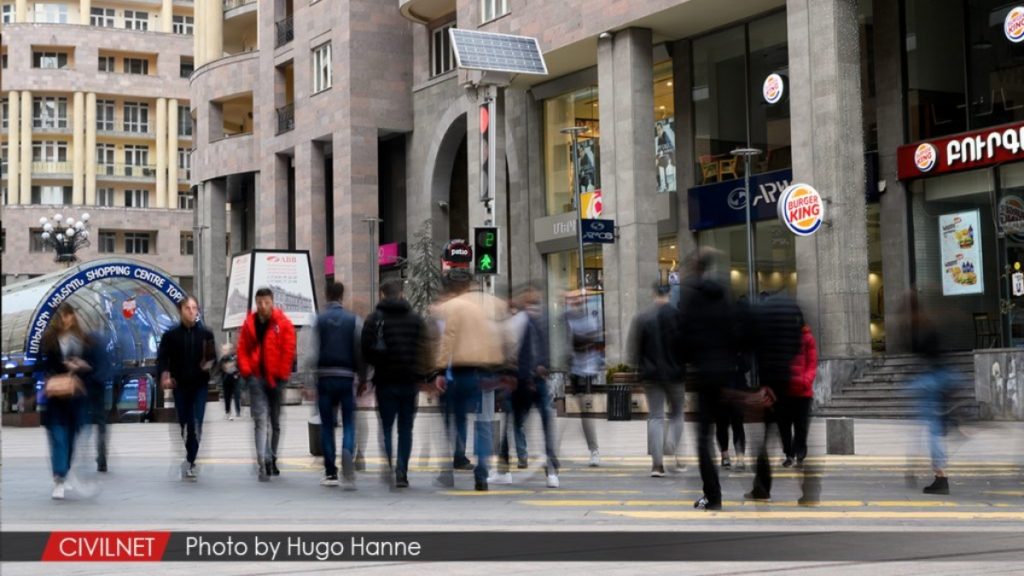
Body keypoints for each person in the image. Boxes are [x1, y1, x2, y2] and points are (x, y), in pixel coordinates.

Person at [432, 269, 507, 491]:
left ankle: (448, 470)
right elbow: (498, 335)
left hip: (459, 372)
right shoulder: (486, 305)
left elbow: (448, 339)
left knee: (449, 420)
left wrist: (438, 371)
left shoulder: (452, 307)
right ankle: (482, 472)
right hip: (484, 371)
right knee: (483, 422)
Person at [678, 248, 737, 511]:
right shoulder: (724, 294)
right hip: (726, 372)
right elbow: (734, 331)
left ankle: (713, 496)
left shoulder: (691, 296)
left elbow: (684, 337)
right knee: (725, 424)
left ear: (694, 267)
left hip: (704, 373)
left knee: (703, 438)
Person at [362, 279, 431, 489]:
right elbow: (424, 350)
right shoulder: (416, 319)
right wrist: (423, 377)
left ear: (382, 295)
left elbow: (365, 349)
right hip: (409, 382)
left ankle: (389, 463)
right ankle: (402, 470)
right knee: (406, 428)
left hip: (384, 381)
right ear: (402, 294)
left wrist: (375, 368)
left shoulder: (374, 319)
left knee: (386, 426)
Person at [496, 283, 560, 488]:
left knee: (511, 423)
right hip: (535, 379)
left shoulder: (519, 321)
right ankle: (551, 471)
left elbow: (508, 349)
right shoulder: (540, 321)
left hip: (522, 380)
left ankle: (505, 470)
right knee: (541, 423)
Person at [746, 293, 804, 502]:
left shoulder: (762, 320)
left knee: (763, 438)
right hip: (787, 381)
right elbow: (798, 345)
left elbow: (752, 346)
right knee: (787, 427)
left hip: (769, 383)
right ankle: (807, 489)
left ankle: (762, 487)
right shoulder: (791, 321)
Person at [238, 287, 296, 482]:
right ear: (256, 303)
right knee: (261, 421)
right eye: (259, 303)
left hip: (276, 380)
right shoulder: (249, 323)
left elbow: (288, 351)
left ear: (272, 302)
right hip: (256, 379)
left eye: (266, 302)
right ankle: (263, 460)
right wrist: (247, 372)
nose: (262, 306)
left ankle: (273, 458)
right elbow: (242, 350)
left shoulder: (283, 324)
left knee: (275, 422)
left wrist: (281, 375)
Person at [311, 281, 364, 489]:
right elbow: (359, 350)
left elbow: (312, 352)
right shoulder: (354, 320)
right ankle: (348, 452)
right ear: (342, 296)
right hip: (346, 378)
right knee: (349, 422)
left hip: (324, 378)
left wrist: (308, 380)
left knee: (327, 425)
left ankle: (330, 472)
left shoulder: (319, 320)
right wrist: (363, 377)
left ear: (326, 295)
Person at [157, 296, 216, 482]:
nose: (192, 312)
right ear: (180, 311)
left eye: (194, 308)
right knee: (184, 421)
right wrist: (165, 373)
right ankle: (189, 453)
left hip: (199, 385)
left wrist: (209, 365)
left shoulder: (205, 334)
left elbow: (213, 358)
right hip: (180, 385)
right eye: (187, 308)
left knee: (196, 422)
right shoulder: (171, 335)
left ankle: (191, 459)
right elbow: (162, 359)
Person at [629, 282, 685, 477]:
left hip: (651, 375)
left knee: (655, 416)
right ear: (669, 294)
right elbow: (685, 348)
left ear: (653, 294)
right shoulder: (678, 316)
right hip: (675, 375)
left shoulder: (642, 317)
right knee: (677, 413)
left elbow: (635, 350)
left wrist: (637, 372)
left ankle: (657, 465)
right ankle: (671, 443)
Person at [40, 303, 92, 499]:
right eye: (62, 316)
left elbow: (91, 366)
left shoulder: (81, 340)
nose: (66, 320)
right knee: (58, 438)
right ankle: (59, 478)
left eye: (69, 316)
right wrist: (61, 368)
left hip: (74, 398)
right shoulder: (49, 340)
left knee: (69, 440)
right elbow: (42, 365)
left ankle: (65, 471)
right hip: (55, 397)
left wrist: (81, 367)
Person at [564, 289, 602, 466]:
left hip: (586, 372)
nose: (575, 302)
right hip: (574, 372)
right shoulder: (566, 319)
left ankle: (594, 449)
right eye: (572, 299)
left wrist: (581, 340)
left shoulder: (589, 319)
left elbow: (587, 341)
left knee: (586, 413)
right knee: (578, 414)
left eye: (578, 298)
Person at [782, 318, 817, 467]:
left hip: (803, 392)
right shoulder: (783, 338)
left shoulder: (808, 338)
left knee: (801, 426)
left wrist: (806, 381)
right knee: (784, 426)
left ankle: (800, 453)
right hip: (785, 390)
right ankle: (789, 454)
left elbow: (812, 363)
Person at [82, 328, 113, 473]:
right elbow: (107, 364)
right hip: (100, 385)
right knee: (101, 423)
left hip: (87, 385)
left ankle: (84, 454)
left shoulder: (84, 343)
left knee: (85, 420)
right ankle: (102, 458)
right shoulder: (101, 341)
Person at [218, 343, 241, 420]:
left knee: (237, 395)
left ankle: (238, 411)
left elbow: (239, 367)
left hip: (235, 380)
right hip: (226, 381)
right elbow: (220, 370)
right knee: (227, 397)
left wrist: (237, 374)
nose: (225, 351)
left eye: (226, 349)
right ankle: (228, 412)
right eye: (224, 350)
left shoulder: (234, 357)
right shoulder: (222, 359)